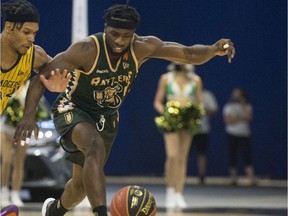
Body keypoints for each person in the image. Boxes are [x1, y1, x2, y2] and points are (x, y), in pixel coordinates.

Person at [13, 3, 235, 216]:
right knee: (94, 147)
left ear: (134, 34)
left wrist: (214, 49)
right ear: (105, 29)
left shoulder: (142, 47)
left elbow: (188, 54)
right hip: (73, 107)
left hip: (106, 117)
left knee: (80, 188)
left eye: (126, 36)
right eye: (114, 34)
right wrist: (28, 115)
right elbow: (40, 79)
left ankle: (54, 211)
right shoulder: (86, 49)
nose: (119, 41)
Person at [153, 63, 203, 209]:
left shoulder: (195, 80)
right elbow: (157, 101)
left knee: (182, 158)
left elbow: (200, 102)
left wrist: (195, 113)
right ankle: (169, 190)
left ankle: (179, 193)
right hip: (171, 121)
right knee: (172, 156)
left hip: (188, 121)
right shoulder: (166, 78)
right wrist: (167, 113)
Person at [0, 80, 51, 208]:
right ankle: (3, 192)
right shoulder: (6, 83)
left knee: (19, 162)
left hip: (22, 130)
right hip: (5, 129)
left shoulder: (30, 87)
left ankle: (15, 194)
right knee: (6, 160)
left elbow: (37, 108)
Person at [0, 0, 52, 115]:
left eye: (34, 33)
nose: (31, 39)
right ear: (8, 27)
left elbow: (62, 69)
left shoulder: (34, 56)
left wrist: (57, 84)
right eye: (26, 32)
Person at [223, 87, 255, 186]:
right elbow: (228, 121)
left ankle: (250, 178)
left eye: (238, 94)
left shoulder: (247, 106)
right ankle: (233, 178)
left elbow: (249, 117)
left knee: (246, 156)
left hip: (244, 134)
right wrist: (240, 118)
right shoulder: (228, 107)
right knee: (232, 155)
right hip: (231, 133)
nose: (236, 96)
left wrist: (242, 106)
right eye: (234, 94)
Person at [191, 86, 218, 185]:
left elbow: (214, 110)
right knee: (183, 155)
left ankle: (202, 176)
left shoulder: (207, 95)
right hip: (188, 130)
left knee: (201, 153)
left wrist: (202, 111)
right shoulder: (187, 94)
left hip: (203, 129)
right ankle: (180, 176)